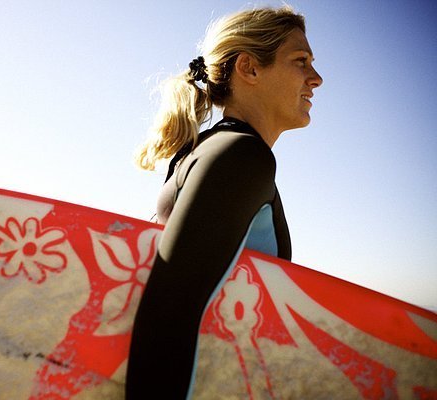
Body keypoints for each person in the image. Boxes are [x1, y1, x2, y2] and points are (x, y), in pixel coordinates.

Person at [126, 6, 323, 399]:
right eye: (301, 61)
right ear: (249, 68)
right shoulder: (240, 157)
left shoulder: (212, 151)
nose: (316, 79)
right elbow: (168, 316)